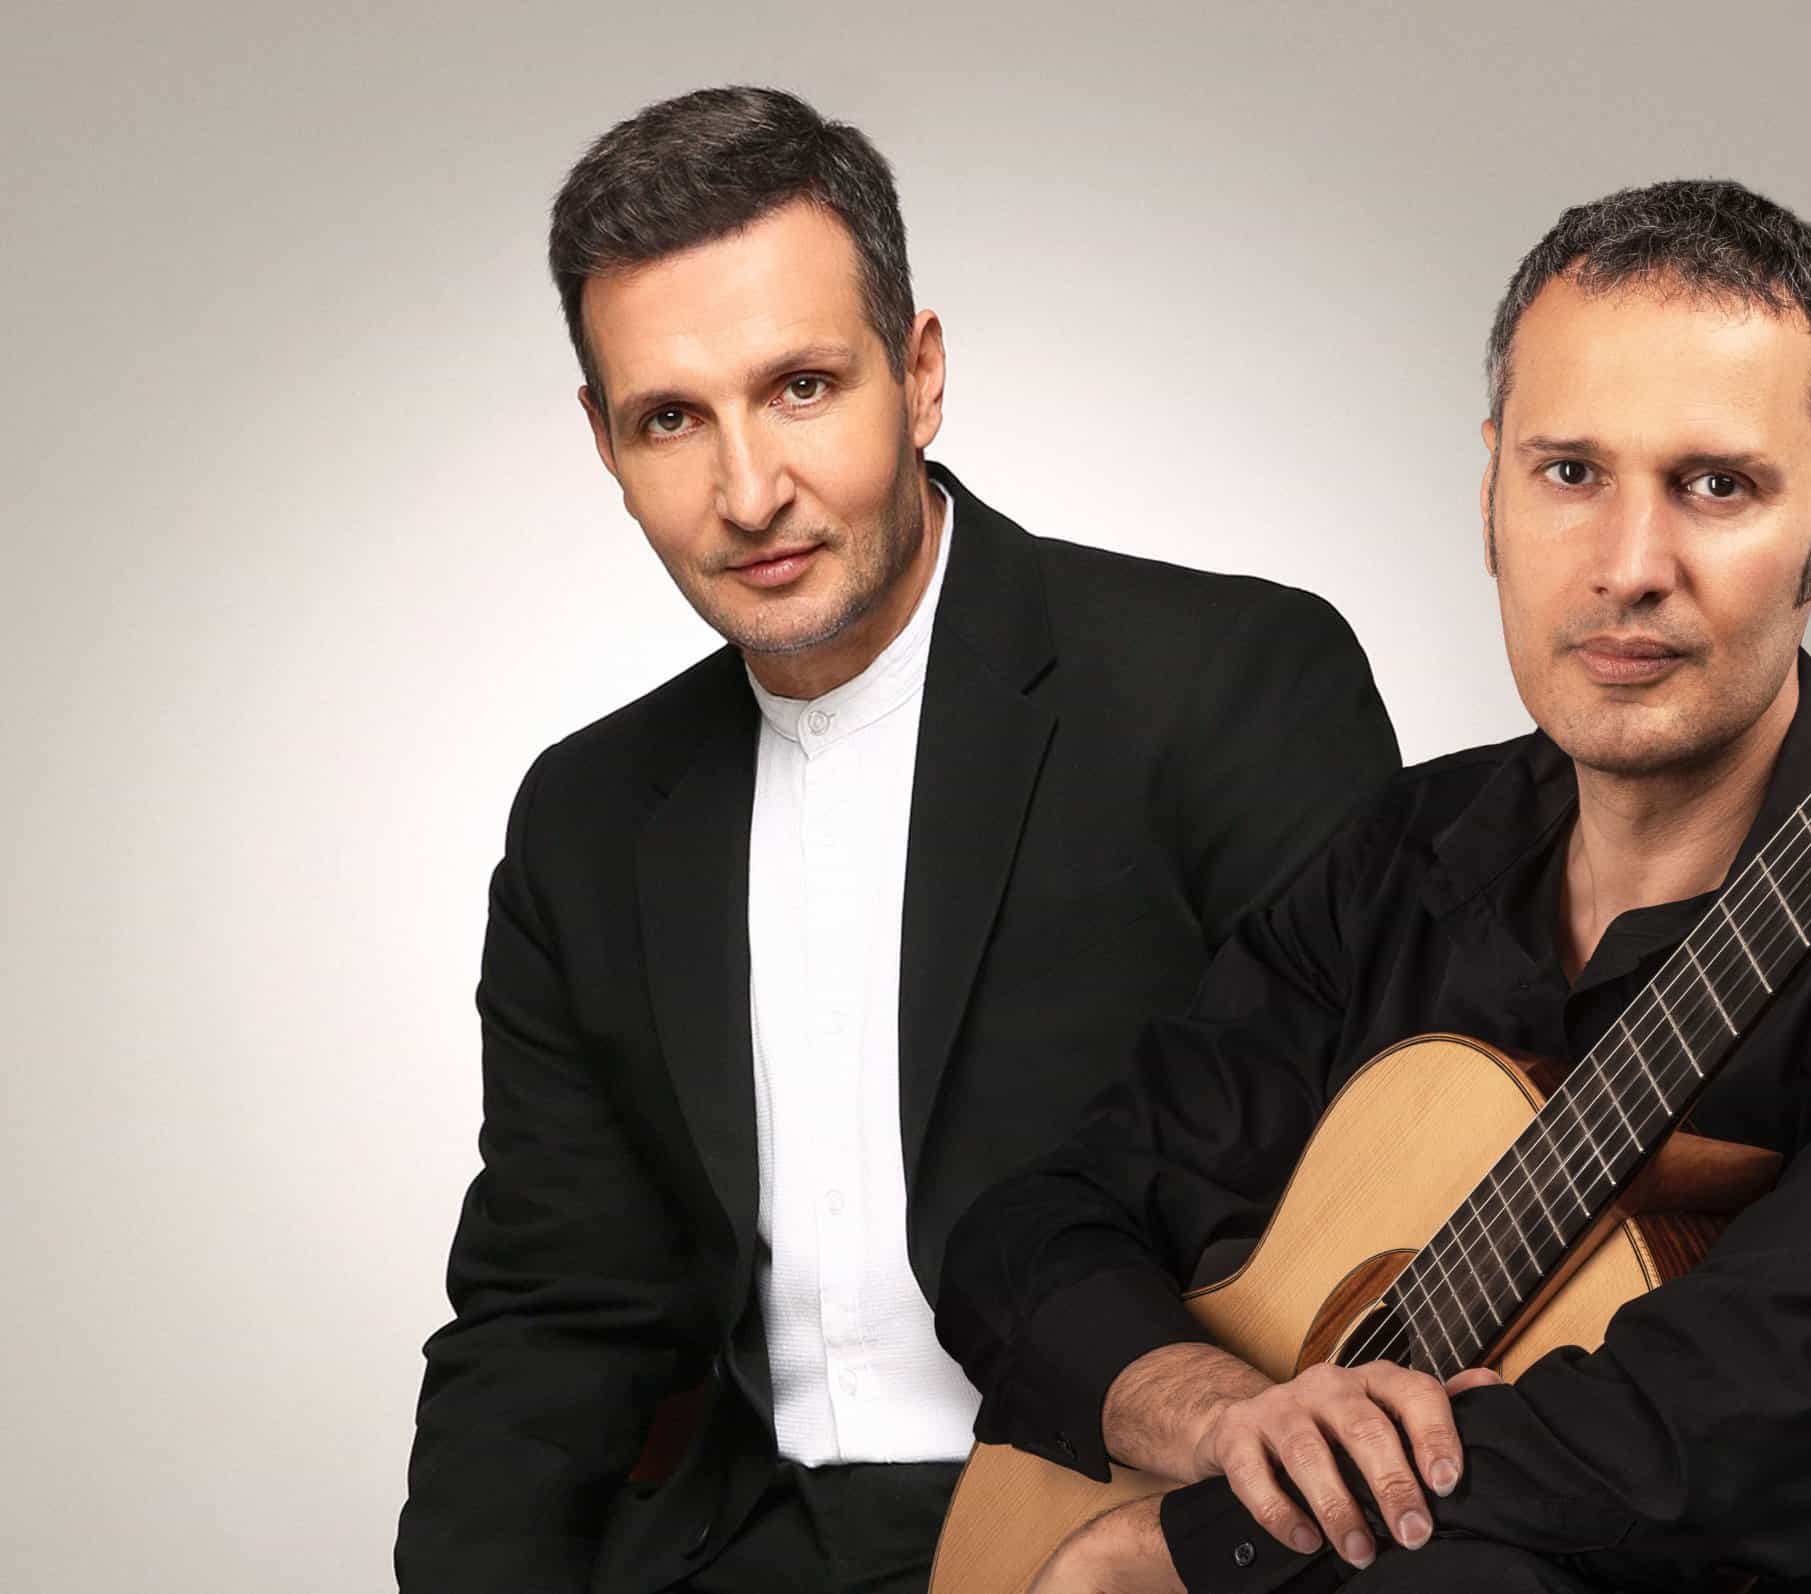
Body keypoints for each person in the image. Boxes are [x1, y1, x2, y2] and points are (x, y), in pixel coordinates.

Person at [936, 179, 1811, 1593]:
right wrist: (1223, 1419)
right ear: (1491, 495)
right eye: (1571, 474)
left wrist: (1196, 1546)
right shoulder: (1407, 855)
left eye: (1716, 485)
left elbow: (1702, 1445)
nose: (1629, 567)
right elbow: (1032, 1233)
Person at [393, 86, 1400, 1594]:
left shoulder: (1226, 684)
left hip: (1141, 1535)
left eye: (801, 386)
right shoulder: (587, 819)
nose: (749, 494)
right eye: (672, 419)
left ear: (919, 374)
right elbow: (553, 1312)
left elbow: (1392, 1199)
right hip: (738, 1549)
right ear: (603, 443)